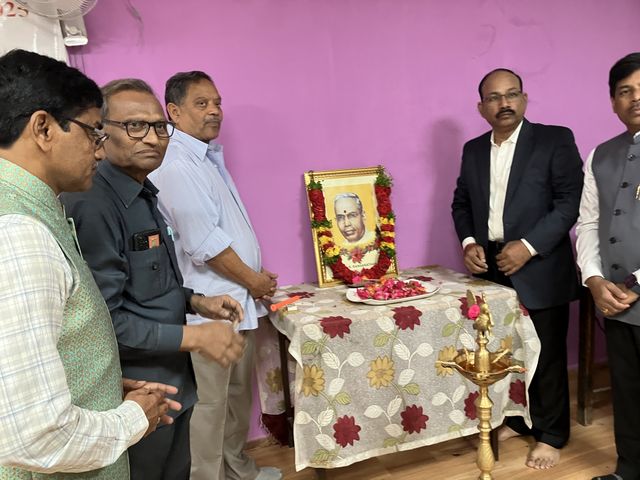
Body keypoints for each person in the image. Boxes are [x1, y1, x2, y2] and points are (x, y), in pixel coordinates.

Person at [0, 49, 180, 479]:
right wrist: (133, 418)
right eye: (92, 133)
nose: (99, 151)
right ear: (43, 128)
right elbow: (34, 438)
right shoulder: (19, 234)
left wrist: (98, 386)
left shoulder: (35, 210)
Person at [60, 79, 247, 480]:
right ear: (101, 132)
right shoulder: (93, 202)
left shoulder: (142, 191)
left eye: (159, 127)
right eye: (135, 126)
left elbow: (147, 282)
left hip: (173, 381)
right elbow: (103, 323)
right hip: (137, 392)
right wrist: (196, 337)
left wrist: (196, 301)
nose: (151, 137)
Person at [148, 71, 281, 480]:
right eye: (202, 103)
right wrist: (253, 281)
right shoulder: (177, 164)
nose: (214, 111)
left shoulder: (203, 157)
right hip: (209, 307)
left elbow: (224, 231)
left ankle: (238, 469)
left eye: (217, 103)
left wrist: (253, 276)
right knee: (209, 405)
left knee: (236, 398)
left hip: (235, 300)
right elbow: (204, 243)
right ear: (173, 112)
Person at [451, 68, 584, 470]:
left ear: (524, 99)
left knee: (546, 355)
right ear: (481, 107)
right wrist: (469, 243)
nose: (504, 103)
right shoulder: (474, 149)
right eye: (494, 97)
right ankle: (516, 420)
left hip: (539, 263)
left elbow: (569, 201)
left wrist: (527, 247)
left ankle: (551, 434)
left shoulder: (554, 139)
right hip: (490, 268)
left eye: (511, 95)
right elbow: (461, 203)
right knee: (501, 353)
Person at [577, 52, 640, 480]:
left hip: (632, 290)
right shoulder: (600, 154)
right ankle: (629, 471)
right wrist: (594, 279)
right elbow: (588, 222)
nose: (636, 98)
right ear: (613, 102)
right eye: (625, 91)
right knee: (628, 392)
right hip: (615, 299)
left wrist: (636, 284)